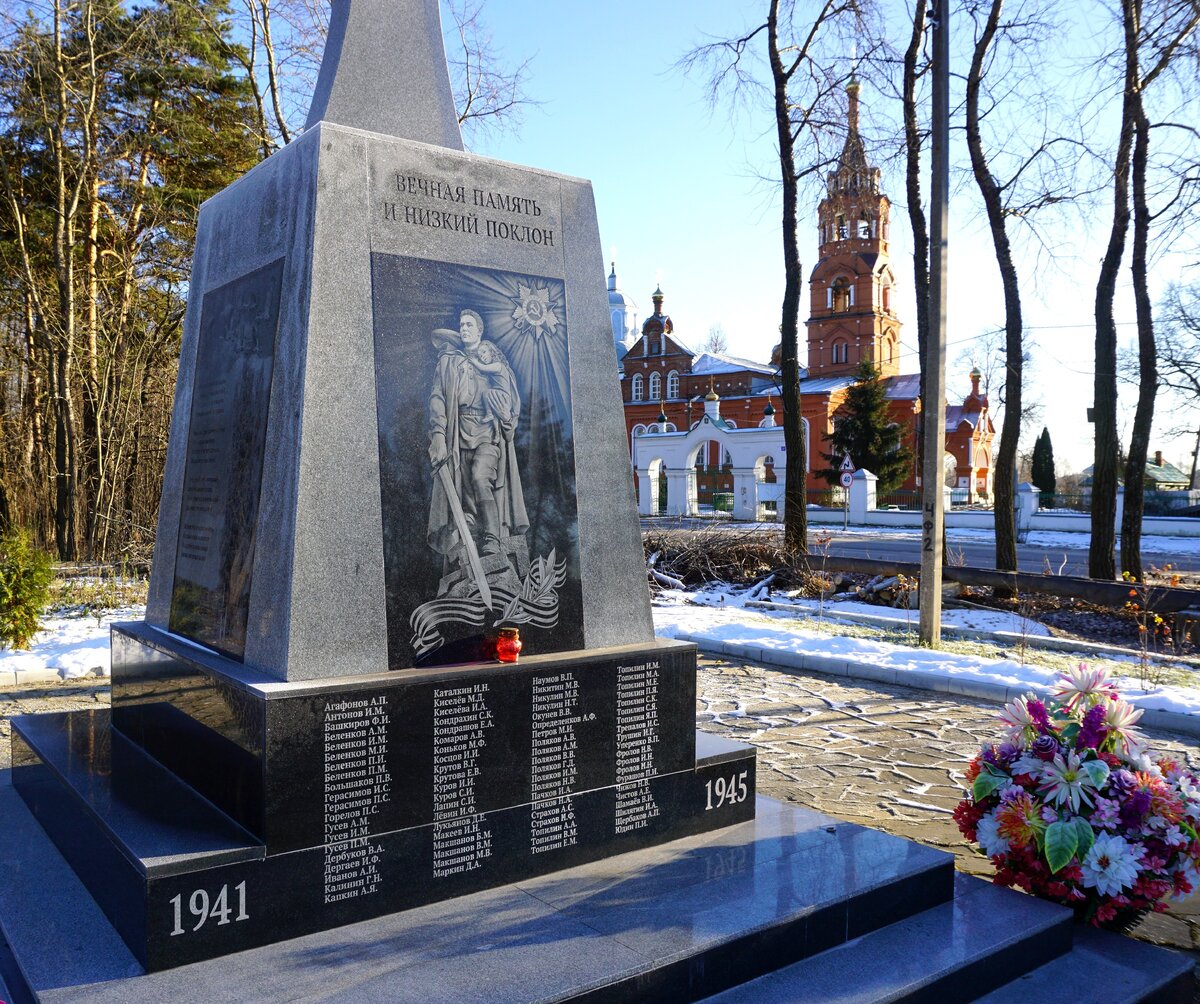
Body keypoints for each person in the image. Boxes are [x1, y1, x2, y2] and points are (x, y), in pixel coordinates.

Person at [427, 310, 528, 579]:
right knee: (465, 488)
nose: (464, 328)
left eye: (469, 324)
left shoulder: (493, 362)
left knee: (481, 477)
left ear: (480, 330)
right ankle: (471, 532)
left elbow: (511, 406)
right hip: (457, 434)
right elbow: (437, 398)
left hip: (487, 433)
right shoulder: (448, 362)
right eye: (461, 324)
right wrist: (438, 433)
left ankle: (492, 537)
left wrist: (506, 415)